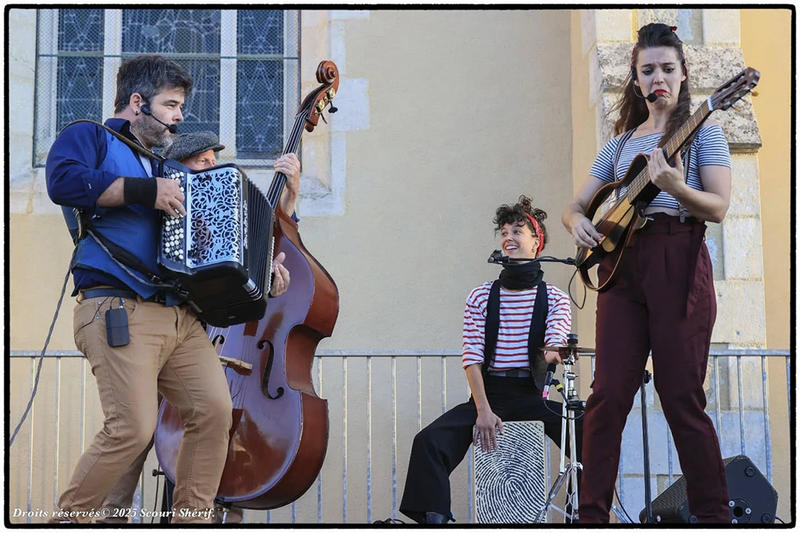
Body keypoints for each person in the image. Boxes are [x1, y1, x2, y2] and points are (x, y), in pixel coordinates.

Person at [46, 55, 299, 523]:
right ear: (138, 103)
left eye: (181, 106)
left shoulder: (168, 167)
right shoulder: (90, 136)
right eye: (172, 105)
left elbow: (208, 255)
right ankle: (70, 520)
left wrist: (262, 280)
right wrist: (147, 191)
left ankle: (191, 520)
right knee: (133, 429)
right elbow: (62, 180)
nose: (180, 117)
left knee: (215, 413)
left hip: (182, 317)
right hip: (118, 306)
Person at [561, 23, 732, 523]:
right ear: (636, 80)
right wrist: (579, 225)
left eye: (667, 68)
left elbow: (719, 207)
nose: (658, 77)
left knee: (681, 396)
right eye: (647, 69)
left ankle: (714, 514)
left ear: (683, 75)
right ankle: (592, 514)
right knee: (607, 395)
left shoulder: (705, 131)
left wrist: (677, 188)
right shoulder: (618, 145)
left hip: (677, 257)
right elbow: (575, 205)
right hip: (621, 267)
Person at [96, 130, 300, 524]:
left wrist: (272, 269)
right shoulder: (165, 205)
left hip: (209, 340)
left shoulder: (228, 209)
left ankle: (207, 515)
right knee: (135, 431)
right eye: (202, 162)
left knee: (215, 421)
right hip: (157, 332)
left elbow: (269, 251)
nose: (212, 167)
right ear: (178, 169)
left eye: (213, 160)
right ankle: (109, 516)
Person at [398, 195, 576, 524]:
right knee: (428, 443)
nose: (508, 237)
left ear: (537, 241)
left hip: (531, 396)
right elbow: (472, 357)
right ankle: (437, 521)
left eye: (517, 231)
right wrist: (482, 410)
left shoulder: (555, 297)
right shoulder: (481, 295)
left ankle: (578, 518)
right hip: (488, 394)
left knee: (590, 437)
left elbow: (553, 348)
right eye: (504, 232)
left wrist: (558, 352)